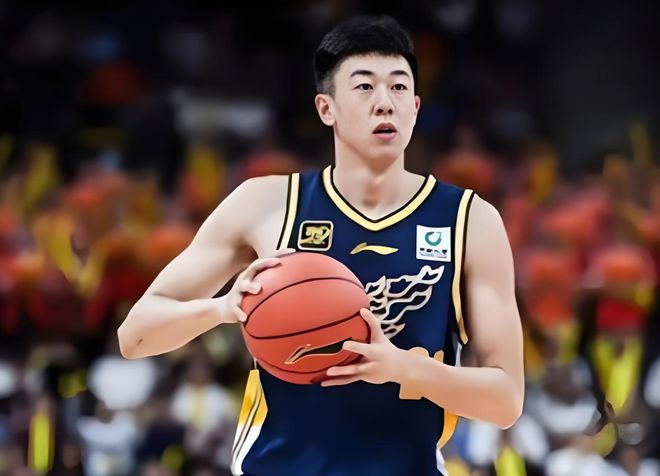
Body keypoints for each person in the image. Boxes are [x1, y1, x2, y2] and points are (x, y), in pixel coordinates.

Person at [117, 15, 524, 476]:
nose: (384, 103)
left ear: (415, 107)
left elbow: (506, 401)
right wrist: (224, 308)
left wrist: (401, 368)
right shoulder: (266, 204)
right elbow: (135, 336)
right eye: (364, 87)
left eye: (398, 87)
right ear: (326, 108)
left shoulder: (470, 220)